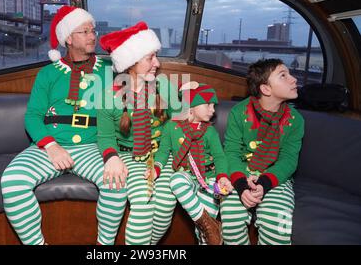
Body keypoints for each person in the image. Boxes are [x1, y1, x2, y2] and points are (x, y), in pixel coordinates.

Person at [0, 5, 127, 245]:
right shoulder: (48, 74)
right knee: (12, 182)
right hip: (50, 146)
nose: (93, 36)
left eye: (93, 31)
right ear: (68, 38)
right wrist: (51, 146)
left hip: (93, 146)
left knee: (117, 184)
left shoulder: (110, 70)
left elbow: (136, 84)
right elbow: (33, 116)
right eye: (85, 31)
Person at [97, 21, 179, 245]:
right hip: (128, 156)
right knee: (143, 204)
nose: (157, 63)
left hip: (162, 155)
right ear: (131, 63)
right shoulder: (107, 95)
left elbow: (180, 125)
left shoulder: (165, 86)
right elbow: (105, 137)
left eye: (156, 56)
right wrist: (111, 157)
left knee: (165, 205)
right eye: (150, 58)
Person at [220, 58, 304, 245]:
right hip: (241, 174)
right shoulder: (239, 113)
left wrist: (265, 183)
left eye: (289, 74)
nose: (293, 79)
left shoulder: (295, 120)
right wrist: (242, 186)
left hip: (276, 177)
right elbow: (232, 153)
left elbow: (289, 160)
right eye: (284, 76)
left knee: (276, 220)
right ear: (266, 89)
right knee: (230, 214)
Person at [146, 82, 233, 245]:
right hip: (187, 175)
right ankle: (207, 222)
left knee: (207, 237)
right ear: (191, 107)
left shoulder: (210, 131)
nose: (213, 110)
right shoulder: (171, 127)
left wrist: (222, 177)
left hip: (210, 179)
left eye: (214, 106)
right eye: (208, 105)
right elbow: (164, 151)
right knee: (176, 180)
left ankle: (207, 225)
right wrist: (156, 168)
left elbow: (220, 156)